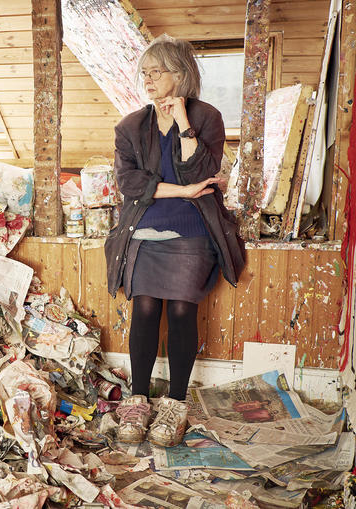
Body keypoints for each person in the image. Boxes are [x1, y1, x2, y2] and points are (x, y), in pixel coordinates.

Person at [104, 35, 245, 447]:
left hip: (192, 231)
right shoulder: (130, 125)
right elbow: (130, 185)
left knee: (182, 311)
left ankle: (176, 403)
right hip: (144, 229)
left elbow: (197, 169)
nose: (147, 79)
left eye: (156, 71)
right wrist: (181, 192)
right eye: (144, 72)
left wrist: (183, 122)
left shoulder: (208, 118)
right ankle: (138, 399)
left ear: (180, 74)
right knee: (145, 309)